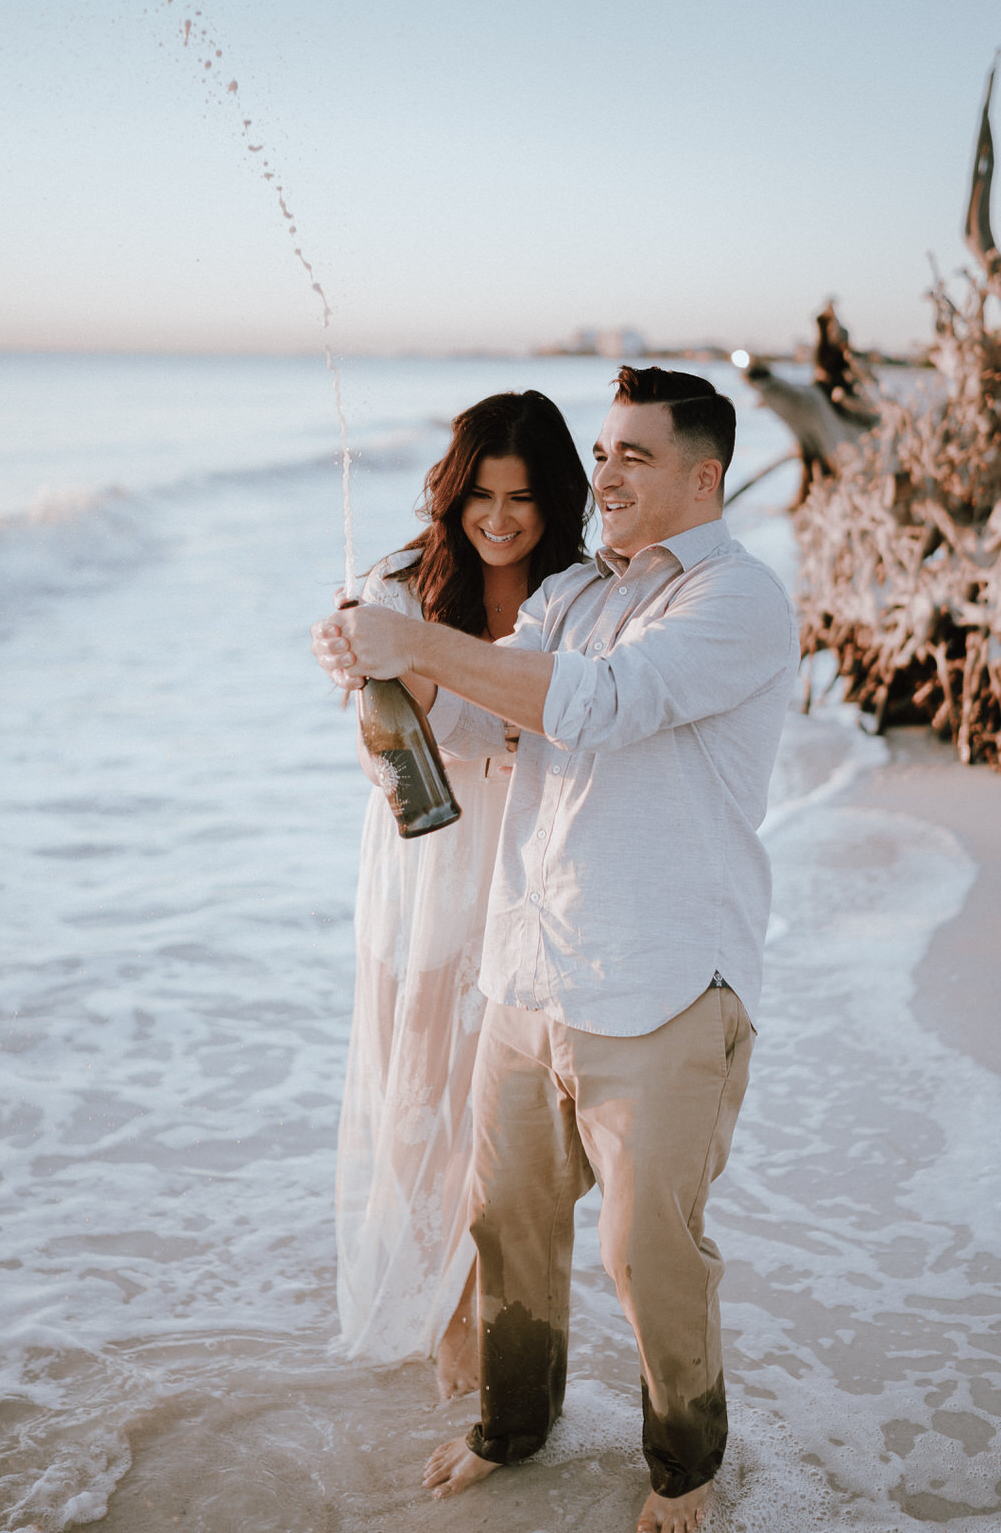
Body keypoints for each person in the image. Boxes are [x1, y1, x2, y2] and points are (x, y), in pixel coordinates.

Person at [314, 367, 798, 1533]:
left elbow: (598, 702)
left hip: (667, 981)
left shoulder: (737, 600)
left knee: (647, 1252)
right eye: (601, 450)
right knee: (509, 1234)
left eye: (632, 454)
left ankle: (684, 1468)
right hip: (530, 972)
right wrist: (382, 664)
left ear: (702, 473)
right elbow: (491, 720)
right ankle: (509, 1428)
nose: (605, 474)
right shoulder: (572, 595)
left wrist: (420, 638)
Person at [334, 389, 590, 1401]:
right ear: (452, 492)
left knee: (506, 1111)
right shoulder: (392, 587)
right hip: (421, 860)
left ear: (553, 498)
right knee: (414, 1103)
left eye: (521, 498)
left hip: (534, 862)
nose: (497, 518)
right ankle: (437, 1287)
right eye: (480, 493)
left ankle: (473, 1302)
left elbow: (587, 724)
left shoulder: (578, 592)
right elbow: (384, 759)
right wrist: (396, 685)